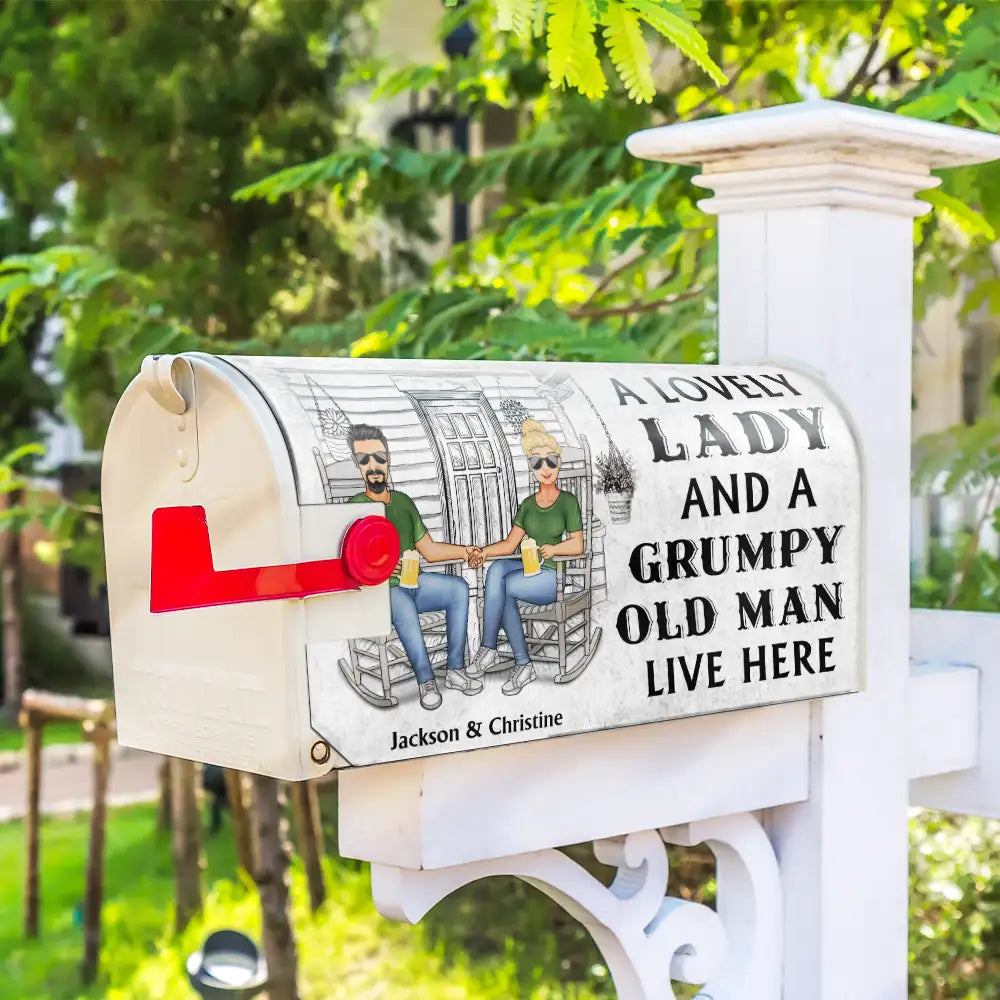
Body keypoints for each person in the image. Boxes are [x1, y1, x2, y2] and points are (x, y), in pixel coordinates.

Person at [347, 423, 482, 710]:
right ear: (356, 464)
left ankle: (455, 670)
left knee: (458, 588)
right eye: (364, 459)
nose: (373, 466)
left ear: (388, 459)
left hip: (415, 582)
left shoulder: (403, 503)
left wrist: (465, 551)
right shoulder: (354, 508)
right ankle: (426, 681)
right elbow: (348, 563)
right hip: (381, 592)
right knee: (401, 603)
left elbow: (429, 550)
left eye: (379, 457)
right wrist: (382, 569)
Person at [467, 419, 584, 695]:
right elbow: (510, 545)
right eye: (537, 462)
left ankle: (498, 652)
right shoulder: (528, 505)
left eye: (551, 460)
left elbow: (577, 545)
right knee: (497, 570)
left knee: (504, 587)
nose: (545, 468)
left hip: (552, 575)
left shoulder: (567, 501)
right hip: (529, 569)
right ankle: (511, 659)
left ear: (559, 462)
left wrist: (555, 549)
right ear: (531, 468)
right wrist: (483, 552)